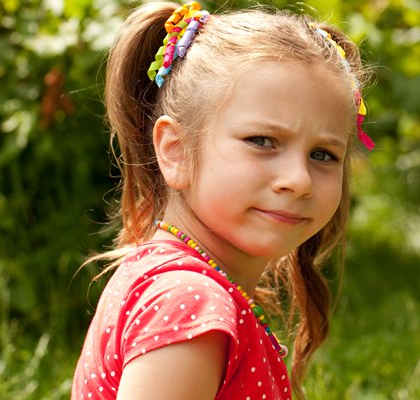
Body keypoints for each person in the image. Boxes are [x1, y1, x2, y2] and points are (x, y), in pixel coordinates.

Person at [71, 2, 374, 399]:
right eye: (262, 141)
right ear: (176, 151)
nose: (299, 180)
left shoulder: (185, 284)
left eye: (323, 155)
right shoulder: (187, 300)